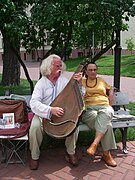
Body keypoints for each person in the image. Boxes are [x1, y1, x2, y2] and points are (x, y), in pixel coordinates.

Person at [29, 54, 84, 170]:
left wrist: (80, 83)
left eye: (61, 65)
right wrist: (50, 110)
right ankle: (34, 156)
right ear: (49, 67)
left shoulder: (64, 82)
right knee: (34, 127)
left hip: (62, 114)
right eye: (57, 66)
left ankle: (71, 152)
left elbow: (80, 95)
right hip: (43, 114)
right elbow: (33, 103)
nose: (61, 68)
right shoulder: (41, 83)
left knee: (74, 125)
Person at [80, 62, 117, 167]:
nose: (93, 72)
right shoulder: (82, 82)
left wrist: (110, 98)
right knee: (108, 125)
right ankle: (106, 154)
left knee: (107, 112)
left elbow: (110, 88)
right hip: (89, 109)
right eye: (90, 70)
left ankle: (95, 144)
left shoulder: (101, 80)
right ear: (86, 72)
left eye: (95, 70)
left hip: (104, 107)